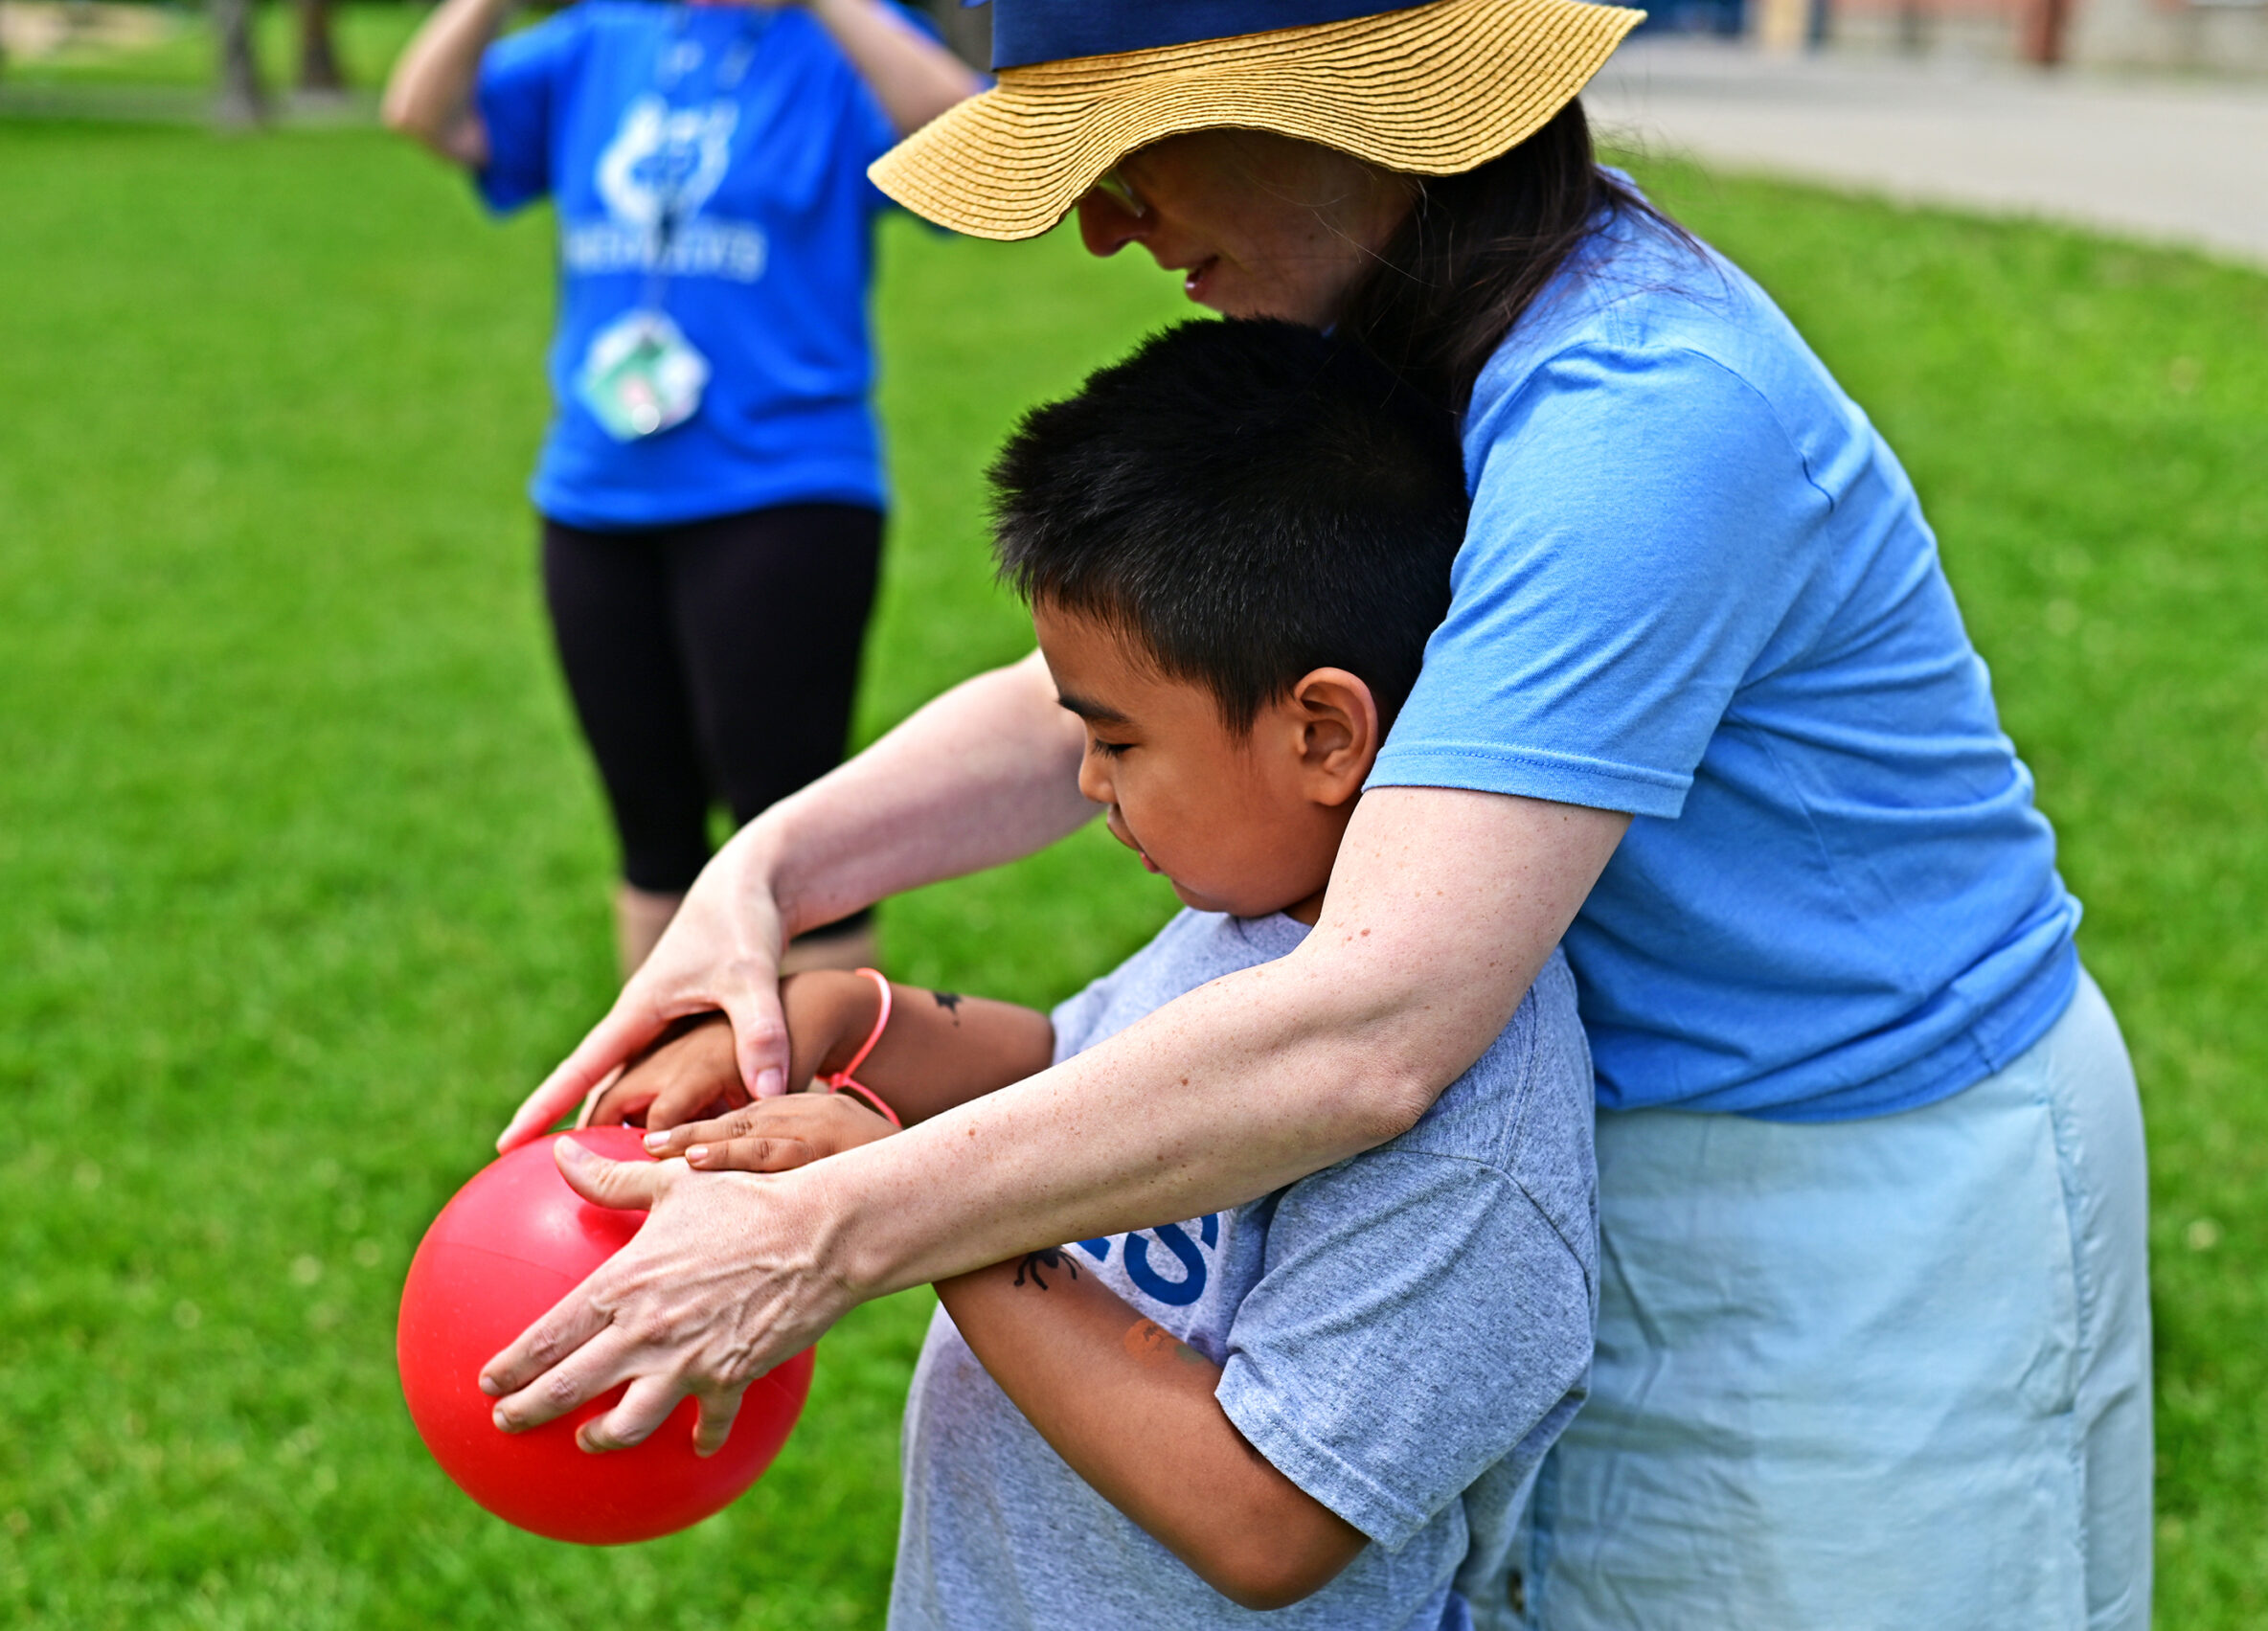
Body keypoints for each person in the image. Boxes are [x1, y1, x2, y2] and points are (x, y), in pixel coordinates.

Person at [480, 2, 2152, 1627]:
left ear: (1342, 101)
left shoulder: (1643, 417)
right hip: (1586, 1145)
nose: (1099, 226)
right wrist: (764, 876)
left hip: (1838, 1196)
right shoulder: (1395, 340)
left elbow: (1379, 1019)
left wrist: (853, 1213)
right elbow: (1137, 687)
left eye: (1136, 148)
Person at [560, 318, 1597, 1630]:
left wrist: (918, 1200)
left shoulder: (1475, 1132)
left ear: (1322, 731)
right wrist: (836, 1020)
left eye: (1114, 739)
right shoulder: (1252, 919)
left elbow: (1267, 1517)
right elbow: (1067, 1069)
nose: (1092, 785)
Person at [381, 0, 977, 976]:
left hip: (782, 492)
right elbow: (423, 114)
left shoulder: (838, 48)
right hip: (596, 494)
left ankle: (822, 1125)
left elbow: (962, 134)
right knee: (651, 836)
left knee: (799, 844)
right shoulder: (600, 39)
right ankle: (656, 1121)